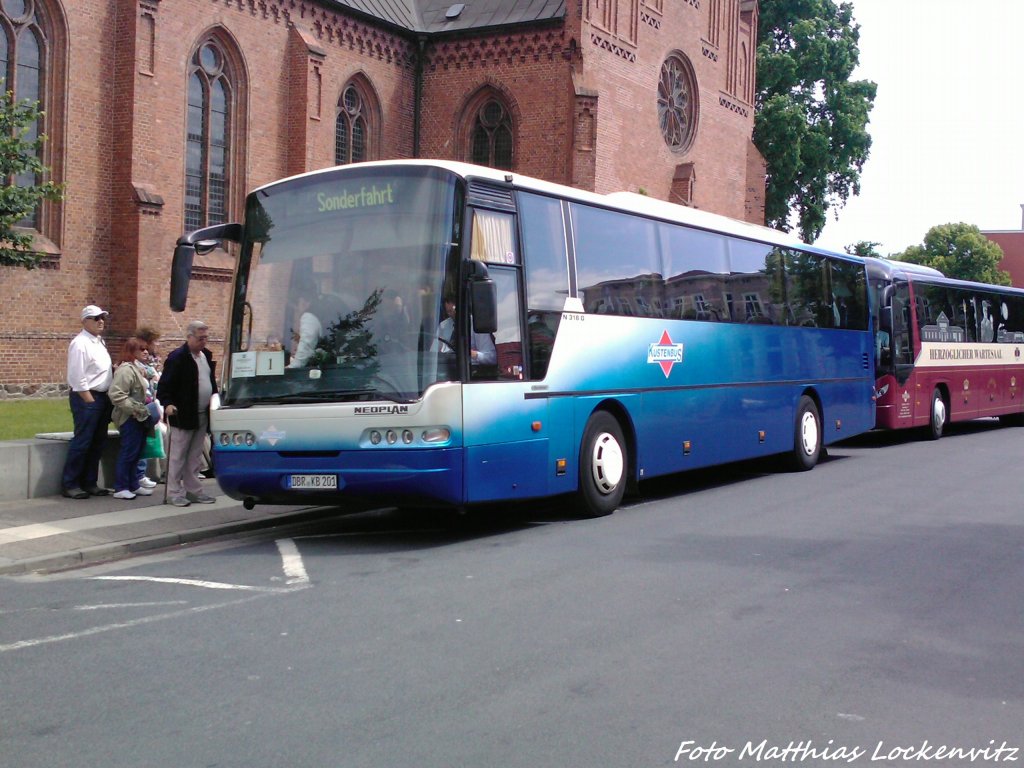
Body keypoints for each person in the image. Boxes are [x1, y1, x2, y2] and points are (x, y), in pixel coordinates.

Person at [156, 320, 218, 507]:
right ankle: (173, 493)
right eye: (200, 338)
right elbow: (164, 387)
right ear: (189, 337)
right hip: (182, 414)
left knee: (195, 455)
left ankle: (193, 490)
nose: (204, 342)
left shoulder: (205, 356)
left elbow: (209, 382)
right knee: (177, 455)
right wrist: (167, 404)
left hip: (201, 413)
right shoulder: (178, 357)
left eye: (206, 338)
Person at [61, 305, 114, 499]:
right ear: (85, 321)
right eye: (95, 318)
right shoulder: (80, 343)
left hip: (102, 396)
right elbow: (77, 375)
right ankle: (71, 483)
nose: (100, 321)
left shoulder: (99, 342)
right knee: (83, 441)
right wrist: (89, 400)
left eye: (102, 318)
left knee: (97, 442)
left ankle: (89, 482)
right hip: (87, 396)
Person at [108, 338, 156, 500]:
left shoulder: (138, 368)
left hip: (141, 417)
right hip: (130, 417)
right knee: (128, 451)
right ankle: (121, 487)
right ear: (131, 351)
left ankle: (133, 484)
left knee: (137, 452)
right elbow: (116, 394)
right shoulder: (125, 370)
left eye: (146, 349)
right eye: (141, 349)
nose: (145, 352)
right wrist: (135, 410)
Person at [134, 327, 163, 489]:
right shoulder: (135, 365)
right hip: (141, 407)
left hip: (152, 403)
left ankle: (143, 474)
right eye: (154, 341)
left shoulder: (151, 362)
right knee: (141, 440)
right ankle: (138, 476)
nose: (156, 345)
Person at [432, 297, 496, 365]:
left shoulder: (476, 323)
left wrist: (472, 354)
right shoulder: (443, 326)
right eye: (449, 312)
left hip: (467, 370)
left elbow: (492, 358)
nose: (452, 314)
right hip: (445, 367)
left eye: (454, 310)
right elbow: (432, 353)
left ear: (462, 307)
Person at [287, 286, 322, 368]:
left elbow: (306, 346)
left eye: (296, 308)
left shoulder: (309, 316)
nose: (297, 312)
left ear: (304, 302)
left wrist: (291, 368)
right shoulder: (321, 311)